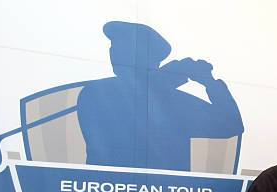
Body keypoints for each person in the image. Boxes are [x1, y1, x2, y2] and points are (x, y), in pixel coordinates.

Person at [77, 21, 243, 171]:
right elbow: (132, 110)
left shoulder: (174, 100)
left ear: (147, 57)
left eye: (123, 47)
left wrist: (210, 83)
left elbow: (230, 125)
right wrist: (170, 76)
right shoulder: (97, 92)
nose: (113, 53)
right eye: (113, 47)